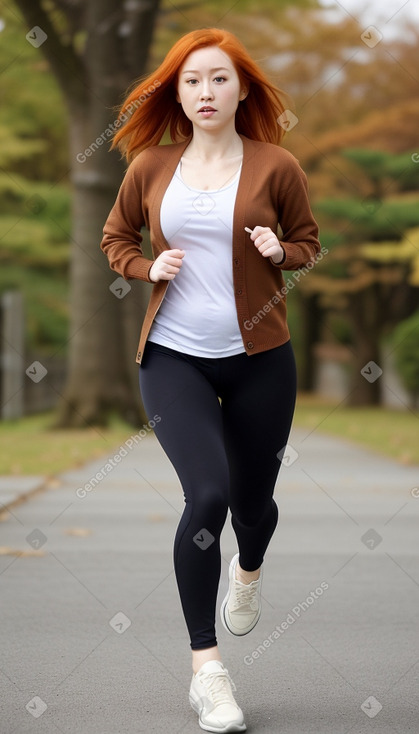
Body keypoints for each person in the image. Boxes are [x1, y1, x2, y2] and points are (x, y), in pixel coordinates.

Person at [101, 27, 320, 733]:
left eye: (218, 79)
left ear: (242, 89)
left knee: (253, 506)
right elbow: (115, 239)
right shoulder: (149, 166)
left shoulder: (275, 164)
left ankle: (247, 570)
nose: (204, 92)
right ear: (178, 91)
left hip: (261, 358)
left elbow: (309, 245)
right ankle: (208, 671)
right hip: (174, 358)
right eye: (191, 80)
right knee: (209, 495)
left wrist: (278, 249)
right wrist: (145, 267)